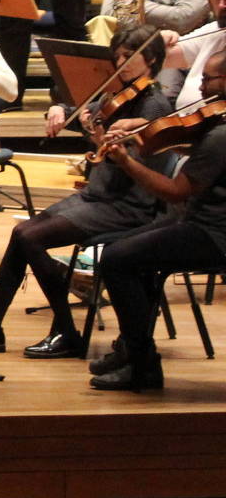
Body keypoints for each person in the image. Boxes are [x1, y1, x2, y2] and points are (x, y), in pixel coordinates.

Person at [0, 23, 169, 362]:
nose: (121, 65)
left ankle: (66, 331)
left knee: (30, 239)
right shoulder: (118, 96)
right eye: (118, 58)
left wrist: (107, 144)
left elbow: (137, 168)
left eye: (129, 58)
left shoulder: (154, 106)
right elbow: (91, 126)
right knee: (20, 233)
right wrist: (67, 113)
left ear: (151, 60)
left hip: (127, 204)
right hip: (99, 195)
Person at [88, 41, 226, 393]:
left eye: (209, 80)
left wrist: (126, 161)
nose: (200, 86)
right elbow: (191, 145)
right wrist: (141, 134)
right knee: (130, 250)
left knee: (118, 259)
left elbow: (174, 191)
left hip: (214, 233)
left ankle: (144, 366)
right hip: (201, 221)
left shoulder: (222, 135)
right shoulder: (218, 124)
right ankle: (132, 352)